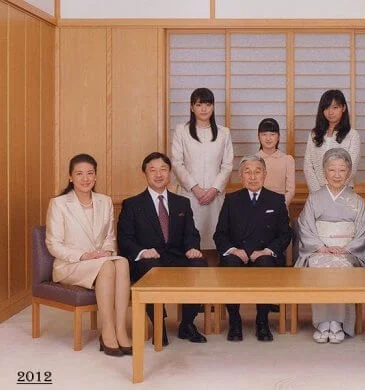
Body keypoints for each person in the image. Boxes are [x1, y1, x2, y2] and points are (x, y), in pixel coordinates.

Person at [117, 152, 208, 346]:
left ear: (170, 173)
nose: (158, 175)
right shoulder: (132, 204)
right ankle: (159, 323)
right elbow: (125, 239)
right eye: (153, 170)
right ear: (145, 174)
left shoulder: (182, 202)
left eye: (163, 170)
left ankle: (187, 323)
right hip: (148, 259)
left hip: (176, 257)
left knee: (200, 264)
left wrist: (192, 248)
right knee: (151, 267)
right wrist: (142, 252)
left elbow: (191, 233)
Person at [45, 154, 131, 356]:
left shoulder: (105, 201)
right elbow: (53, 244)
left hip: (100, 260)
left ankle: (120, 329)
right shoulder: (59, 204)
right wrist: (85, 256)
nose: (85, 178)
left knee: (122, 262)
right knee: (108, 266)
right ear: (70, 177)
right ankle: (107, 331)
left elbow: (110, 236)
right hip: (70, 264)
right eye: (79, 173)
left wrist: (107, 252)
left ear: (96, 176)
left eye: (90, 173)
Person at [295, 148, 365, 343]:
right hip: (319, 249)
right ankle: (322, 321)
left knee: (341, 267)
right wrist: (320, 246)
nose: (337, 175)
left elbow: (364, 231)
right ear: (324, 171)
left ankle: (338, 322)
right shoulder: (314, 198)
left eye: (342, 170)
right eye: (332, 170)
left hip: (347, 250)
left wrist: (347, 248)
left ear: (349, 172)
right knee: (319, 266)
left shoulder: (357, 201)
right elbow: (305, 226)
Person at [213, 155, 292, 342]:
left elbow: (285, 234)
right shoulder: (232, 200)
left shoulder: (276, 200)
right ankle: (234, 319)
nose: (253, 176)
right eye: (247, 172)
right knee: (230, 263)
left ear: (265, 175)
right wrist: (233, 249)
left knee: (265, 263)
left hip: (265, 254)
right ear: (241, 176)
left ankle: (262, 320)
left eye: (257, 172)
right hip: (237, 253)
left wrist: (267, 250)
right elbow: (220, 234)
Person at [171, 87, 234, 250]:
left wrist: (214, 189)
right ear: (192, 107)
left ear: (213, 107)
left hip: (215, 196)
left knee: (215, 242)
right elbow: (177, 162)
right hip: (190, 195)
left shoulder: (224, 133)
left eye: (207, 104)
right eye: (199, 105)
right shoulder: (181, 131)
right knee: (190, 244)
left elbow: (227, 165)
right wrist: (195, 188)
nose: (204, 109)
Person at [303, 89, 360, 193]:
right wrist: (318, 192)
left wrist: (334, 190)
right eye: (327, 108)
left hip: (344, 191)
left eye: (335, 107)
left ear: (343, 108)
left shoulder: (352, 135)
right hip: (317, 193)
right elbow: (308, 166)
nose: (330, 112)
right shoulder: (314, 134)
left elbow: (352, 167)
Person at [255, 117, 295, 206]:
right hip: (257, 207)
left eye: (272, 134)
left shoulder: (287, 159)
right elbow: (249, 189)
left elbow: (291, 190)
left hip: (281, 207)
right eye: (264, 134)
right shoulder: (253, 160)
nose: (268, 138)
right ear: (258, 137)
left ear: (278, 137)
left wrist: (280, 206)